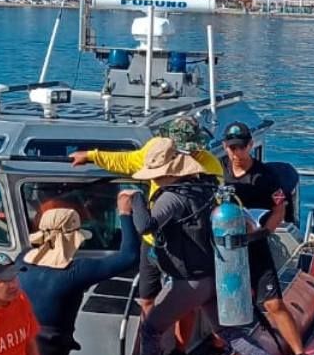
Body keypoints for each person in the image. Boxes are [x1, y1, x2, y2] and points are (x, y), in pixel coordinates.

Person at [71, 117, 222, 329]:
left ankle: (180, 352)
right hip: (153, 241)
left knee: (188, 299)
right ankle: (152, 341)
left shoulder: (209, 165)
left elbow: (217, 202)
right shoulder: (156, 152)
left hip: (189, 242)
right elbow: (127, 161)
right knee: (147, 297)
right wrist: (91, 156)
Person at [119, 138, 221, 355]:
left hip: (188, 279)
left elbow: (146, 226)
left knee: (151, 329)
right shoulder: (205, 187)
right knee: (232, 333)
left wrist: (137, 199)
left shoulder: (172, 196)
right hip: (211, 273)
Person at [18, 193, 142, 355]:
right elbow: (129, 256)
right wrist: (124, 213)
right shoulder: (75, 272)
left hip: (19, 349)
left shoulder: (23, 260)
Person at [218, 121, 309, 355]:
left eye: (240, 148)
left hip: (255, 242)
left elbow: (280, 207)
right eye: (231, 148)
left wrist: (265, 231)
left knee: (273, 303)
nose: (236, 154)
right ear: (225, 147)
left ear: (250, 146)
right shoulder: (217, 172)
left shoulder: (267, 177)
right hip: (226, 247)